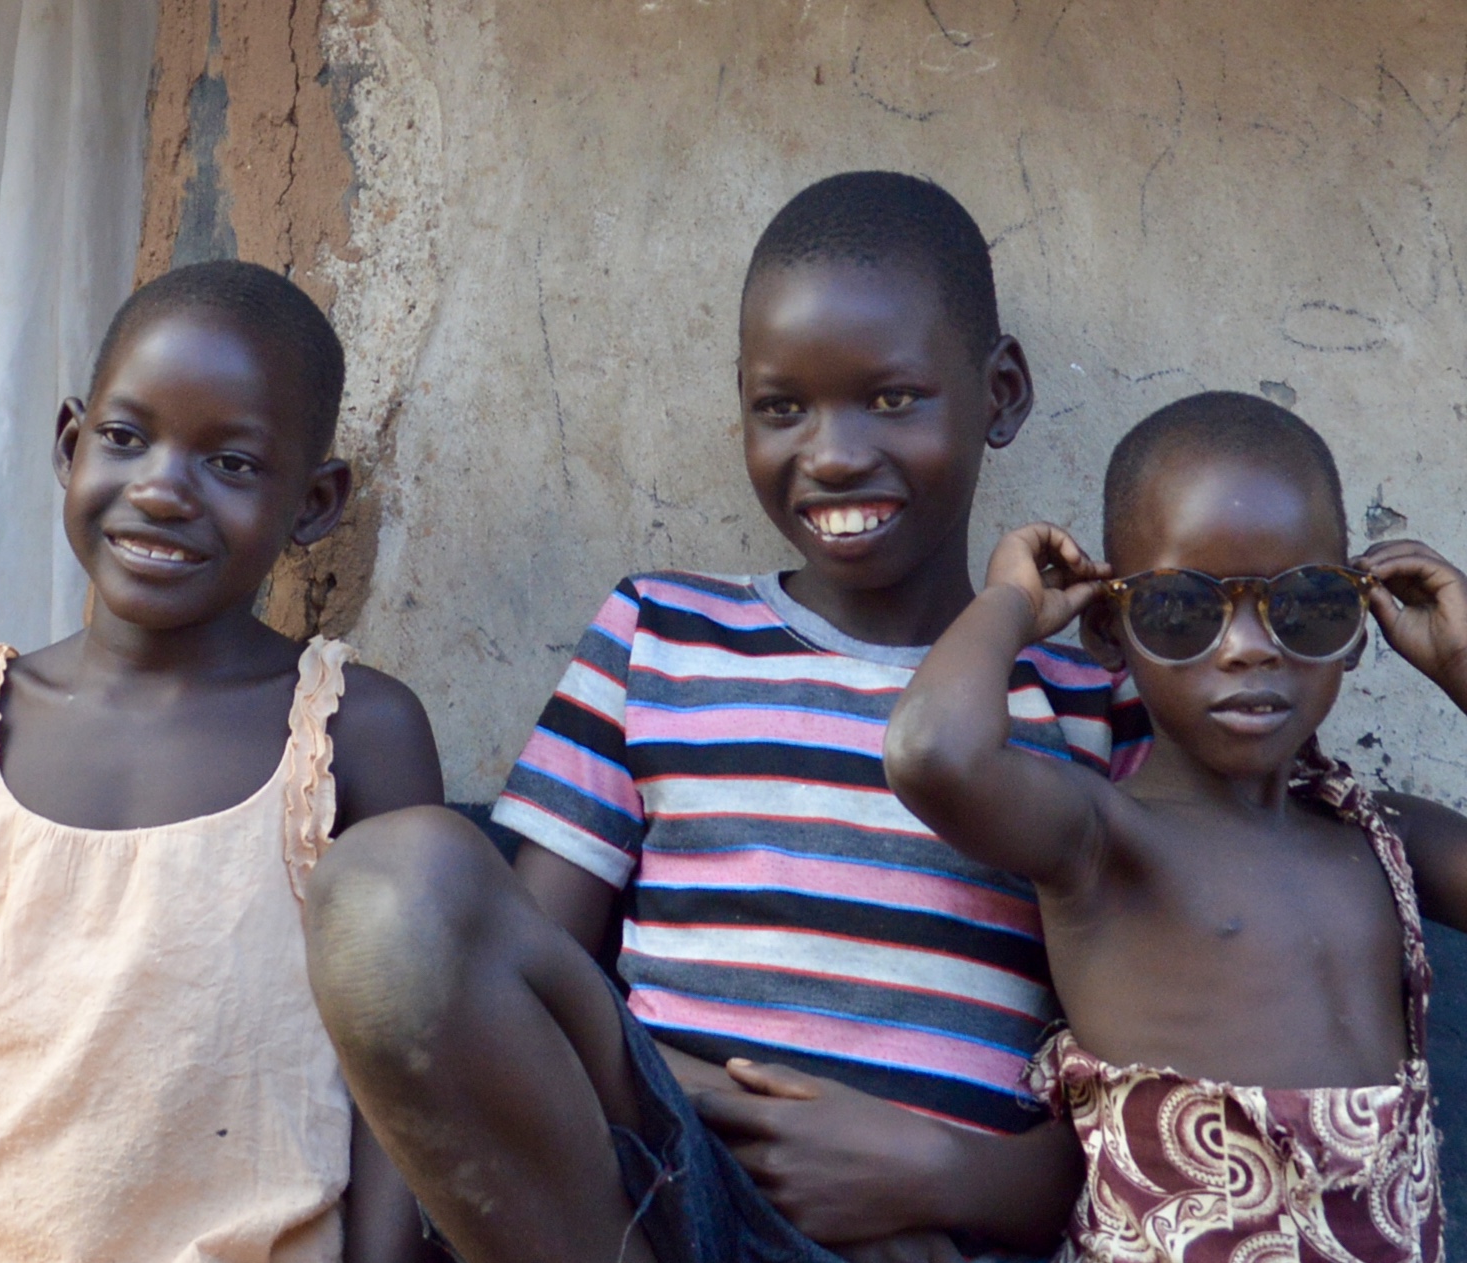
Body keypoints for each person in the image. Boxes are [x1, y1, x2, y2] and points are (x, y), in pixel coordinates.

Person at [302, 171, 1150, 1263]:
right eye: (781, 407)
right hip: (660, 1204)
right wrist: (715, 1105)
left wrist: (937, 1170)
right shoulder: (657, 635)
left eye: (891, 398)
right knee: (389, 889)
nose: (833, 453)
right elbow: (523, 1000)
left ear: (1002, 393)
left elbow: (1147, 1110)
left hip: (927, 1226)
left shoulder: (1088, 710)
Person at [883, 391, 1467, 1263]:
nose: (1246, 646)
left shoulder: (1380, 837)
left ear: (1354, 628)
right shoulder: (1103, 838)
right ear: (1110, 630)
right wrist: (1010, 603)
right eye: (1181, 610)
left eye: (1304, 604)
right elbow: (933, 753)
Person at [0, 260, 446, 1263]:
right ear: (71, 445)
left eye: (232, 463)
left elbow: (394, 1115)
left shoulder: (349, 738)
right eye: (125, 438)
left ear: (315, 503)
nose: (160, 489)